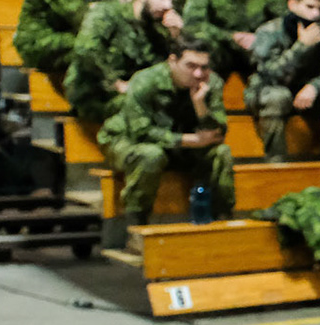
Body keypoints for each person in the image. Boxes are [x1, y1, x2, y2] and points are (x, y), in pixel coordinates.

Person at [98, 37, 233, 226]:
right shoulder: (146, 80)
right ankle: (135, 225)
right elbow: (140, 132)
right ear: (173, 61)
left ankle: (222, 221)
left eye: (204, 67)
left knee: (221, 153)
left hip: (179, 145)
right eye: (191, 66)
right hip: (127, 139)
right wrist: (191, 140)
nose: (198, 73)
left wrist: (200, 105)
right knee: (151, 155)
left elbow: (217, 133)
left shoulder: (211, 82)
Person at [248, 0, 320, 159]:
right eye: (309, 7)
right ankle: (275, 162)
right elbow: (270, 75)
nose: (316, 14)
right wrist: (301, 47)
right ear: (292, 4)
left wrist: (315, 86)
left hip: (310, 93)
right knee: (277, 97)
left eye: (319, 8)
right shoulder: (269, 32)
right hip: (273, 90)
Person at [65, 0, 183, 126]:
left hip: (133, 94)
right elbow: (86, 51)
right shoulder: (108, 12)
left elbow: (166, 70)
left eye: (172, 1)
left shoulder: (159, 30)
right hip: (95, 93)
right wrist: (116, 83)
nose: (167, 5)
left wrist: (177, 38)